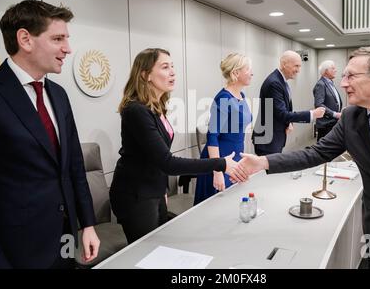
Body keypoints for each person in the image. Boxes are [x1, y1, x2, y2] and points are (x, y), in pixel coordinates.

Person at [239, 47, 370, 269]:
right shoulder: (350, 119)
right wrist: (263, 162)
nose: (343, 83)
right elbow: (316, 152)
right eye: (343, 75)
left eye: (351, 76)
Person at [0, 0, 100, 268]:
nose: (67, 48)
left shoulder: (59, 95)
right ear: (25, 39)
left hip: (65, 243)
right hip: (17, 252)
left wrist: (88, 224)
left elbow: (74, 165)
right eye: (58, 38)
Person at [109, 48, 246, 244]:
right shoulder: (136, 110)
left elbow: (156, 156)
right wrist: (220, 163)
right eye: (165, 67)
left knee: (158, 248)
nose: (173, 72)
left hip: (153, 189)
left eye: (172, 66)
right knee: (146, 252)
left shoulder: (156, 107)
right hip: (135, 194)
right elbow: (167, 162)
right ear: (145, 74)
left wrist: (162, 189)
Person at [194, 53, 252, 205]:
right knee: (213, 207)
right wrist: (217, 171)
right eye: (248, 69)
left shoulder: (241, 95)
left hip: (235, 158)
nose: (251, 73)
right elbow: (212, 136)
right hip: (219, 160)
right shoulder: (224, 98)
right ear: (236, 73)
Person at [252, 50, 325, 156]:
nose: (298, 70)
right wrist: (312, 114)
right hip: (268, 140)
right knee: (268, 171)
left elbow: (276, 110)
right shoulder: (274, 83)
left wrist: (288, 123)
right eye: (296, 66)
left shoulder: (280, 81)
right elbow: (281, 114)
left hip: (272, 137)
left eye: (299, 66)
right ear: (284, 64)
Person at [313, 60, 343, 140]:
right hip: (326, 124)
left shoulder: (330, 83)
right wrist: (335, 114)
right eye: (333, 68)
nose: (335, 70)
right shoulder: (321, 84)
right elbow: (319, 104)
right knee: (324, 150)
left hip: (333, 123)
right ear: (326, 71)